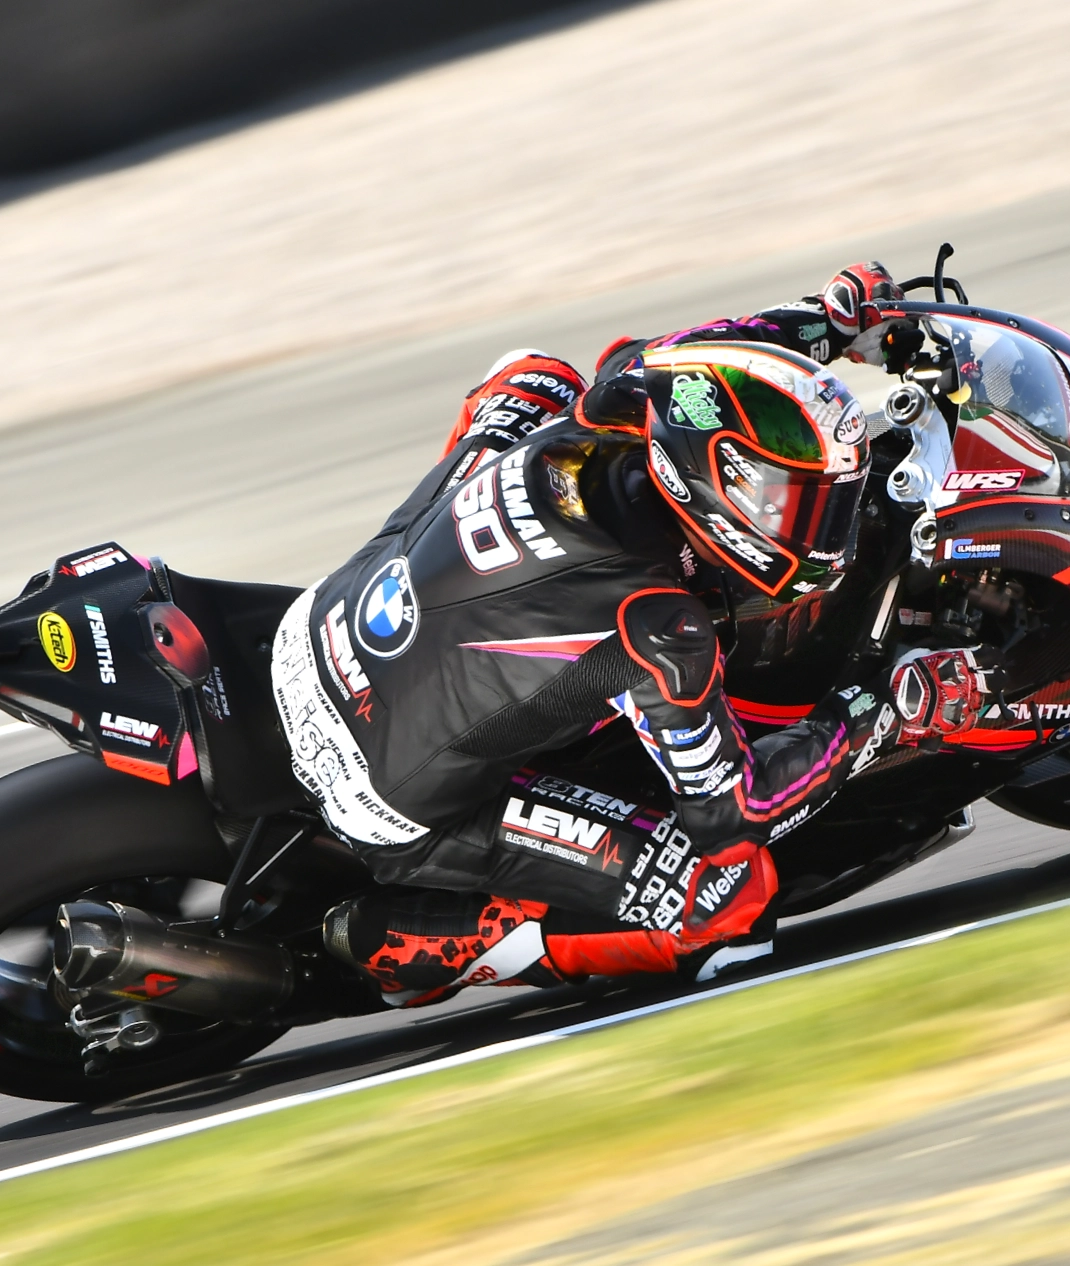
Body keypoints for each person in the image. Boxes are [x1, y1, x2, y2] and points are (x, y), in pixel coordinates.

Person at [271, 263, 987, 1007]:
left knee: (534, 380)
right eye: (794, 506)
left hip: (317, 626)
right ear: (711, 487)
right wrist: (886, 706)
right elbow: (735, 814)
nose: (822, 533)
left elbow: (704, 362)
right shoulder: (661, 625)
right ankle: (436, 942)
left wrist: (828, 319)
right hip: (379, 794)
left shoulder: (626, 398)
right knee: (728, 893)